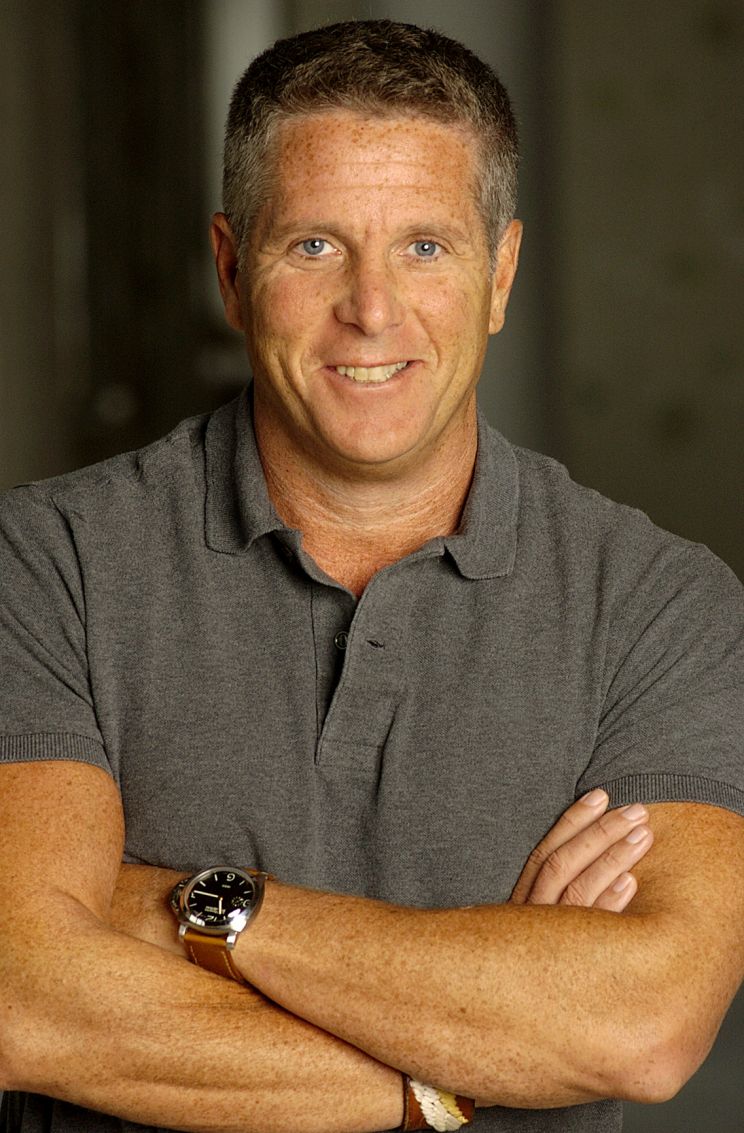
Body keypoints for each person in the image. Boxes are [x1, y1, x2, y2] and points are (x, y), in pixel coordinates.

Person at [0, 18, 743, 1133]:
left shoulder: (659, 605)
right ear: (231, 269)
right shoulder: (42, 562)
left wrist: (196, 909)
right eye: (314, 245)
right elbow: (26, 1000)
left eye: (426, 247)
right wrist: (468, 1061)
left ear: (501, 275)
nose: (373, 309)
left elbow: (643, 1023)